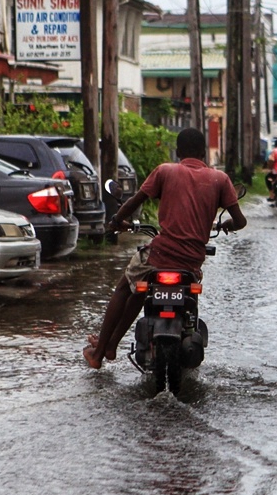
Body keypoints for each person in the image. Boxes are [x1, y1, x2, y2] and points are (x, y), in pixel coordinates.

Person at [84, 127, 246, 368]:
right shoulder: (219, 179)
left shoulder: (165, 171)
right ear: (203, 152)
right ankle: (109, 345)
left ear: (178, 152)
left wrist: (116, 221)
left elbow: (134, 201)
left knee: (125, 288)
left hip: (159, 255)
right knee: (141, 291)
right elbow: (241, 221)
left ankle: (101, 352)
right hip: (191, 261)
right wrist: (226, 225)